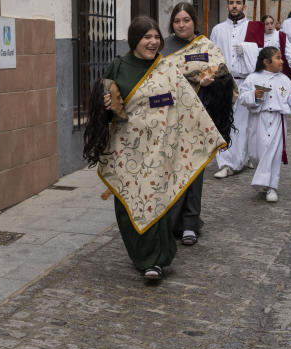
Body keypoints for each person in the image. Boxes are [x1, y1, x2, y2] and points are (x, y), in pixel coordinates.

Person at [85, 16, 225, 281]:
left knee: (155, 200)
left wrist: (207, 134)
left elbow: (187, 103)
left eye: (156, 37)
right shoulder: (119, 66)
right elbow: (105, 103)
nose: (152, 42)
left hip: (159, 150)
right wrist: (106, 105)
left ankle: (156, 259)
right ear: (134, 40)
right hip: (126, 150)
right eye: (146, 37)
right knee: (129, 205)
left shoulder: (166, 67)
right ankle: (142, 255)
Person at [159, 3, 235, 246]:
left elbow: (225, 75)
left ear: (194, 21)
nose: (181, 24)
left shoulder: (206, 46)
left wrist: (213, 81)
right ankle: (170, 222)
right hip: (169, 118)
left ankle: (190, 222)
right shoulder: (163, 47)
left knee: (194, 170)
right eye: (177, 20)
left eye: (186, 20)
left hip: (198, 118)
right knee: (171, 170)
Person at [209, 0, 291, 178]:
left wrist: (246, 49)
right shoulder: (218, 29)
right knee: (225, 123)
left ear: (244, 6)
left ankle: (244, 157)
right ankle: (227, 163)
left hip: (246, 80)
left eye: (238, 3)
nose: (234, 6)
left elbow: (262, 54)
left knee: (244, 125)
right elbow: (212, 54)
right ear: (227, 6)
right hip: (225, 81)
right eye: (231, 2)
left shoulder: (254, 27)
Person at [240, 47, 291, 202]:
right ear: (266, 62)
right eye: (277, 58)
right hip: (258, 120)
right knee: (257, 154)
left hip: (277, 119)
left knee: (274, 154)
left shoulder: (284, 79)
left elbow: (290, 96)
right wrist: (253, 96)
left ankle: (272, 187)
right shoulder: (252, 78)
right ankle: (263, 180)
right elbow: (242, 97)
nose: (281, 61)